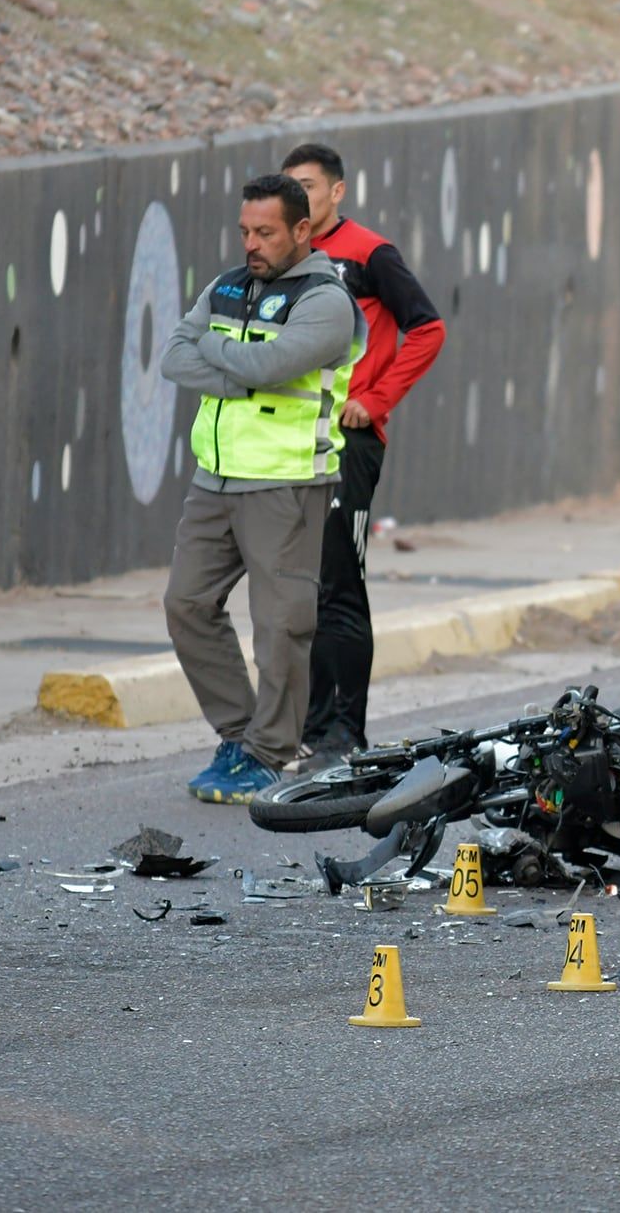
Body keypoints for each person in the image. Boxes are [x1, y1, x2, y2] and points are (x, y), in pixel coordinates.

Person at [159, 174, 364, 802]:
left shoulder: (325, 300)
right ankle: (241, 735)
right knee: (186, 605)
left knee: (281, 625)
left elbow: (273, 366)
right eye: (245, 230)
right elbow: (172, 355)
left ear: (302, 230)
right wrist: (237, 371)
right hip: (214, 478)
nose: (251, 243)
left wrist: (216, 353)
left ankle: (269, 754)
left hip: (286, 481)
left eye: (265, 232)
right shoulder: (228, 285)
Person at [280, 143, 447, 771]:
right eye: (288, 187)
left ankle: (341, 736)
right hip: (291, 444)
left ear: (336, 191)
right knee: (297, 589)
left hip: (349, 443)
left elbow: (427, 327)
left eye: (308, 186)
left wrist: (375, 400)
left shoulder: (370, 253)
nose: (299, 197)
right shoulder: (286, 257)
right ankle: (301, 729)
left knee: (338, 586)